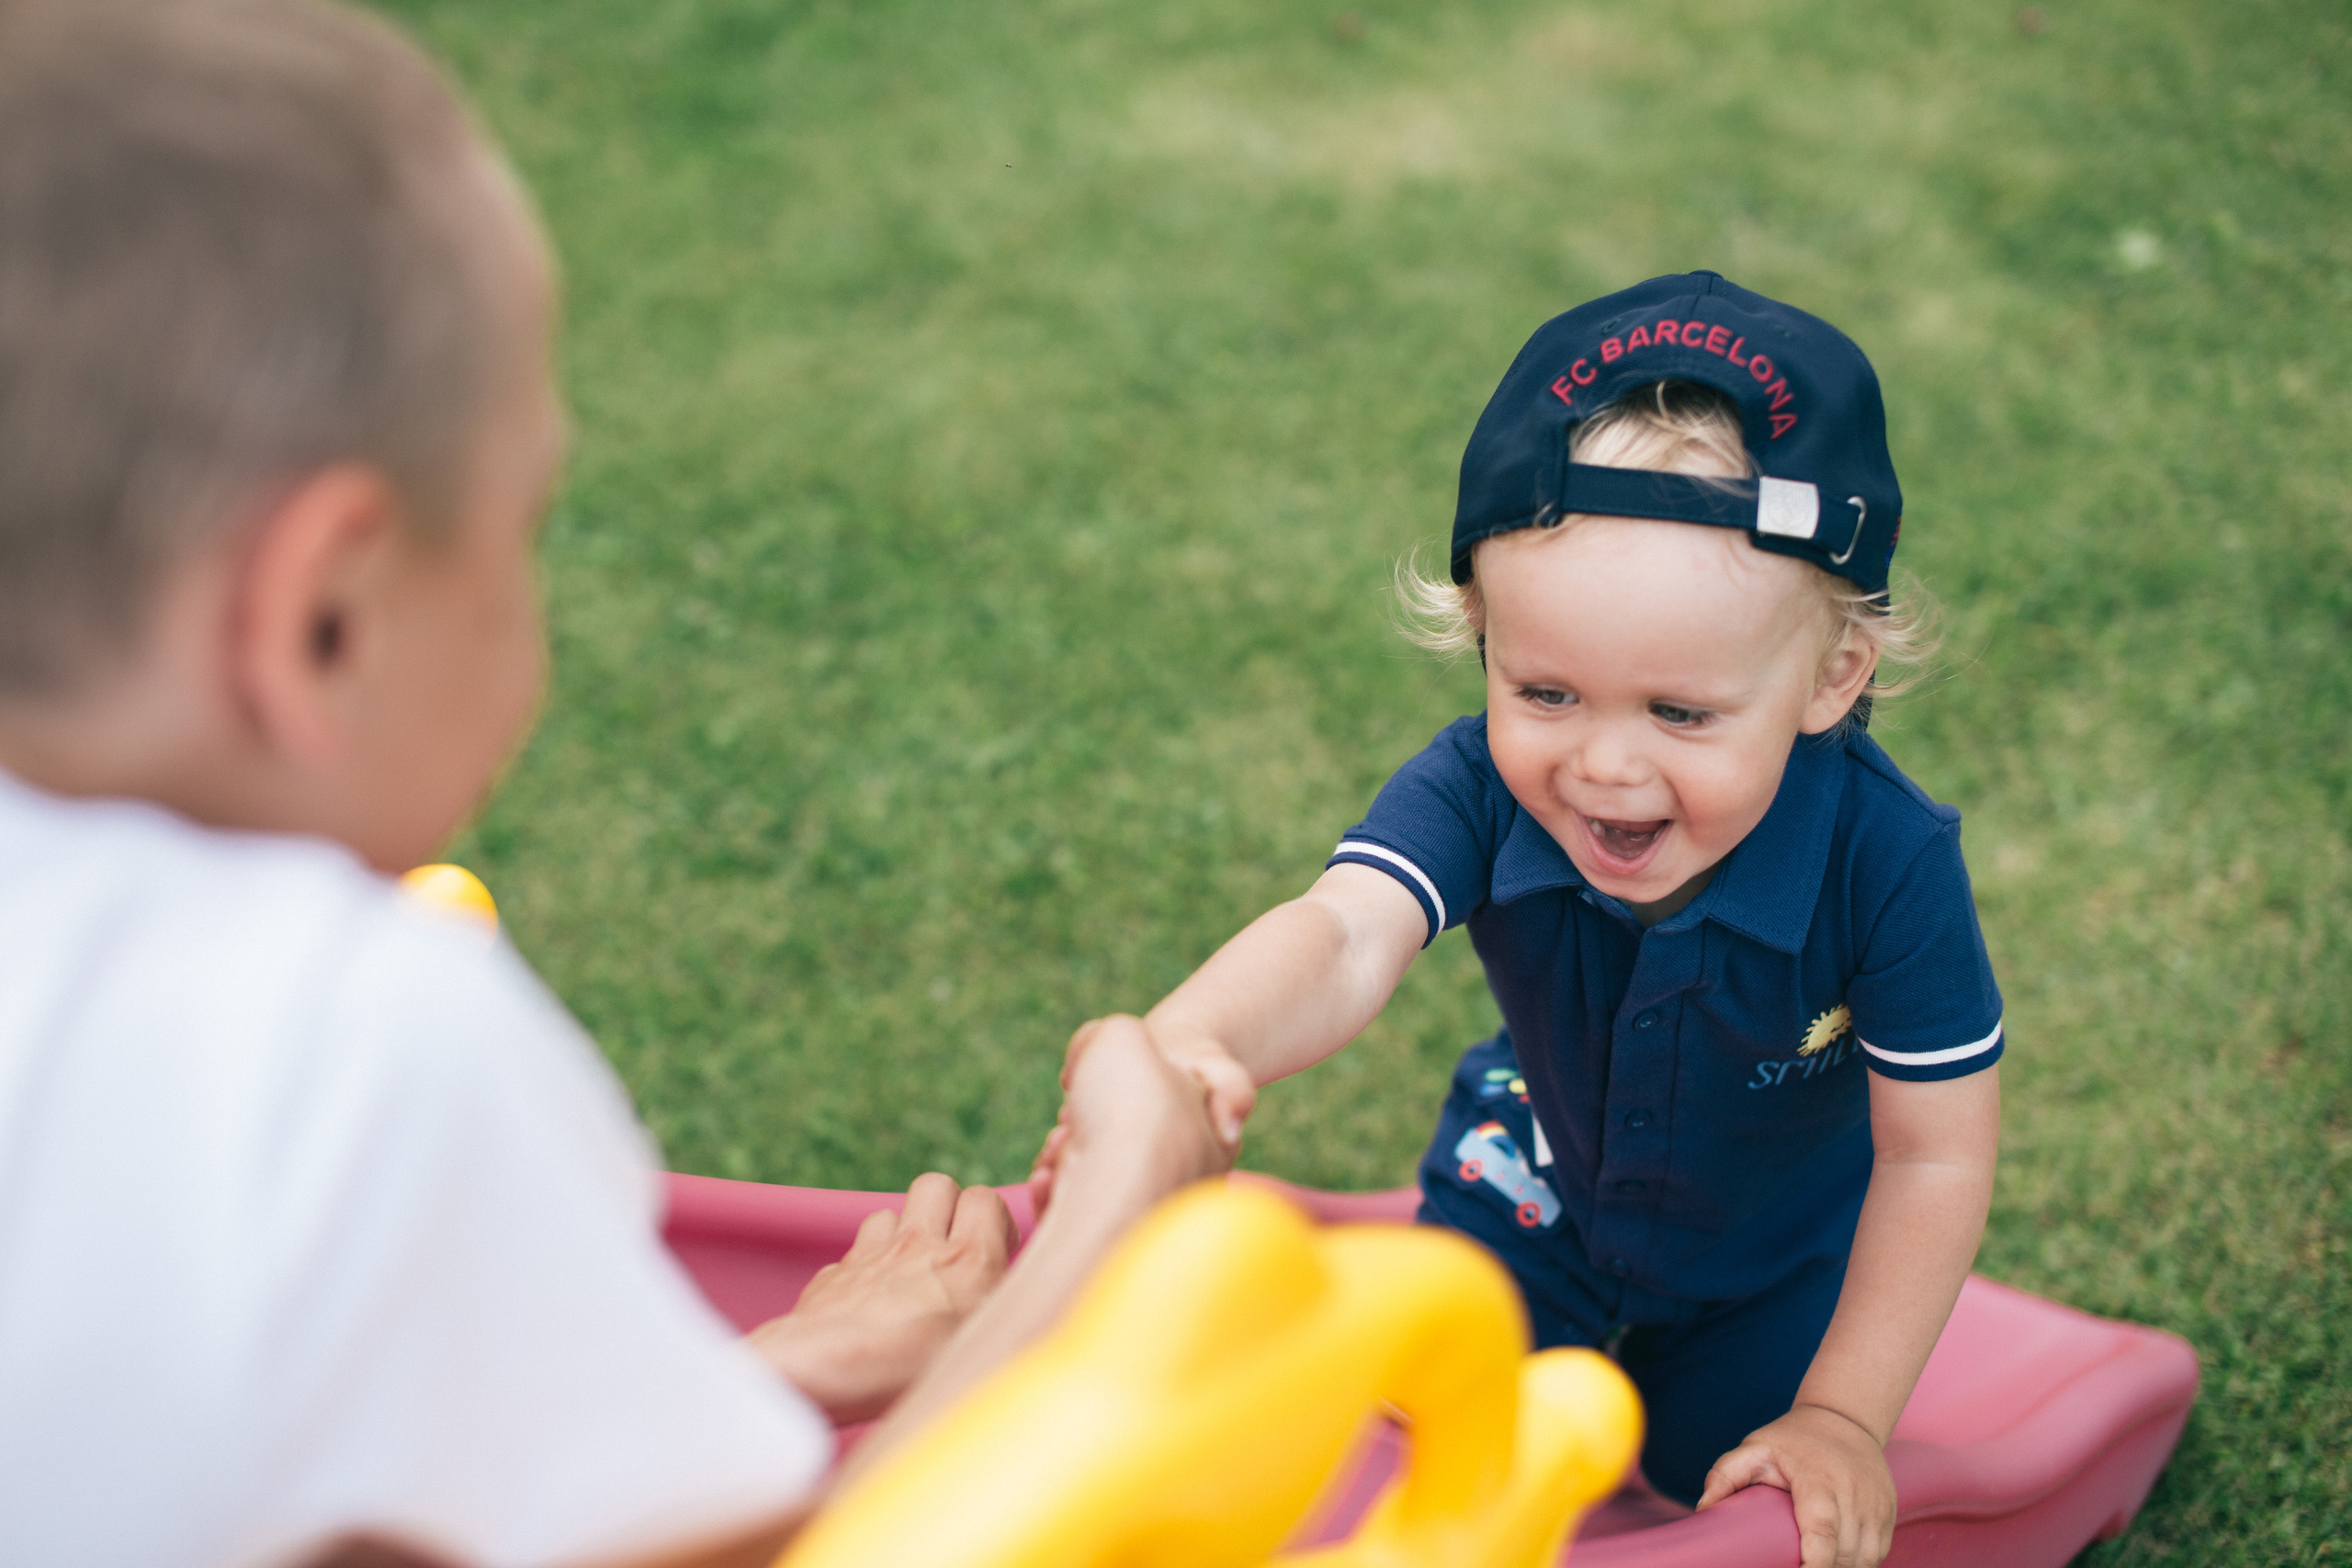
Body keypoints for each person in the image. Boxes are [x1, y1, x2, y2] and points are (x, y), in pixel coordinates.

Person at [0, 2, 1224, 1565]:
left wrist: (779, 1373)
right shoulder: (337, 1054)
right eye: (522, 523)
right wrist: (1121, 1219)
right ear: (320, 614)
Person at [1035, 274, 2003, 1568]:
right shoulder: (1482, 784)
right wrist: (1188, 1043)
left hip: (1768, 1272)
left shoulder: (1885, 860)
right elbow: (1342, 934)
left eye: (1680, 714)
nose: (1604, 767)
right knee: (1417, 1460)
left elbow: (1936, 1153)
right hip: (1524, 1202)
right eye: (1546, 690)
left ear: (1831, 677)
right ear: (1481, 635)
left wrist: (1841, 1412)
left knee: (1729, 1493)